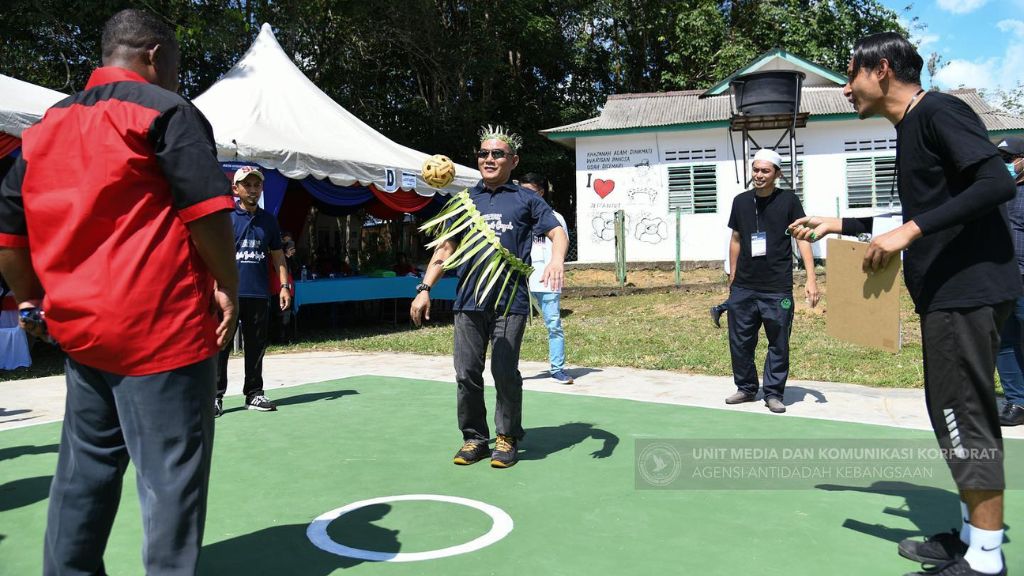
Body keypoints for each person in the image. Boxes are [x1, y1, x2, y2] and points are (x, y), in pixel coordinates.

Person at [0, 9, 238, 575]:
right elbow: (206, 214)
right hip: (160, 331)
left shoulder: (43, 129)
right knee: (171, 483)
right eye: (176, 60)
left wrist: (31, 299)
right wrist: (227, 283)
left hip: (81, 333)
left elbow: (9, 235)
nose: (178, 72)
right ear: (155, 54)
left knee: (82, 474)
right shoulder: (168, 111)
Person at [788, 32, 1018, 576]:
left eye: (851, 74)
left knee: (965, 420)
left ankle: (986, 561)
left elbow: (996, 182)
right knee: (952, 417)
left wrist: (910, 230)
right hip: (948, 294)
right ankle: (971, 538)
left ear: (882, 70)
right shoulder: (911, 126)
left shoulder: (939, 111)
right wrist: (842, 224)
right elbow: (931, 206)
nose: (845, 88)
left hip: (969, 290)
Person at [410, 125, 566, 469]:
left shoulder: (527, 199)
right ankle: (474, 438)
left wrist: (556, 260)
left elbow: (556, 232)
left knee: (504, 369)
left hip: (510, 302)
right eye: (483, 153)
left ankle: (507, 436)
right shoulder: (464, 200)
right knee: (466, 372)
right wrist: (424, 289)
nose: (489, 159)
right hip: (468, 301)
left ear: (513, 160)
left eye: (497, 153)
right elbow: (446, 247)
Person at [724, 148, 819, 414]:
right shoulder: (740, 201)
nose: (759, 175)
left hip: (777, 288)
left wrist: (811, 278)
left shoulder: (788, 200)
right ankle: (746, 388)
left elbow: (802, 238)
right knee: (740, 341)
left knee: (778, 342)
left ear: (777, 173)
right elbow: (736, 240)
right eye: (756, 169)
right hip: (743, 286)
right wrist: (732, 277)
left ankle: (774, 392)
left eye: (765, 171)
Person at [216, 167, 292, 416]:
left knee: (256, 346)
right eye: (246, 185)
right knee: (221, 346)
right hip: (229, 294)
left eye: (256, 185)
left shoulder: (268, 220)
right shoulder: (226, 218)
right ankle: (215, 397)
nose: (252, 189)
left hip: (258, 294)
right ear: (235, 189)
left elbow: (279, 257)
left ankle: (254, 394)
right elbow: (212, 254)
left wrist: (283, 286)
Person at [520, 172, 574, 385]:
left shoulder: (555, 217)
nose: (525, 196)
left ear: (541, 193)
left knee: (553, 324)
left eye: (530, 191)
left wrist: (556, 265)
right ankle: (508, 368)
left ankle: (557, 369)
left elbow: (562, 243)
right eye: (521, 191)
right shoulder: (517, 216)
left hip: (547, 280)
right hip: (520, 279)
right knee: (511, 325)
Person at [996, 138, 1024, 427]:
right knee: (1005, 342)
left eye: (1010, 157)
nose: (1005, 163)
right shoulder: (996, 194)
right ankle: (1017, 401)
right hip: (1001, 279)